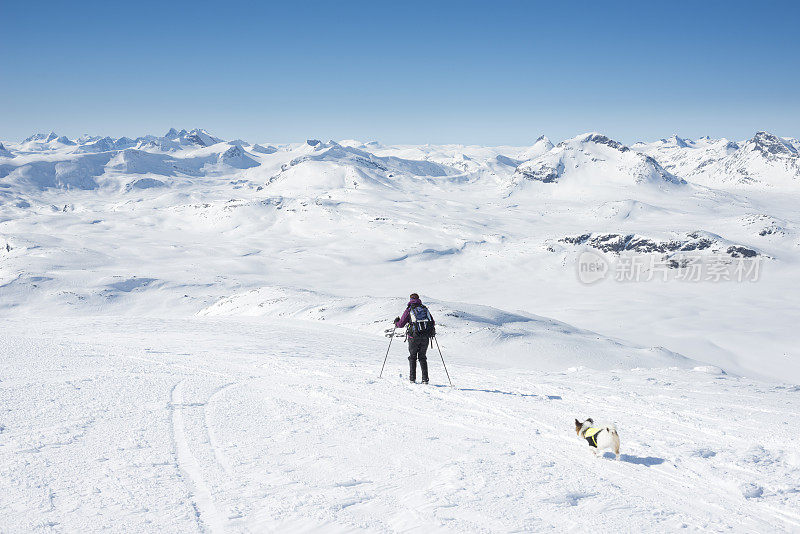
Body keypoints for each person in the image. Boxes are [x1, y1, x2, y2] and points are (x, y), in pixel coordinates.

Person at [394, 293, 435, 383]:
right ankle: (425, 379)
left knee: (413, 357)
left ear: (410, 299)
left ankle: (412, 379)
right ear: (418, 299)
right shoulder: (424, 309)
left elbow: (401, 324)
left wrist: (396, 322)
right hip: (425, 336)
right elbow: (432, 322)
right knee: (422, 357)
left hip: (413, 337)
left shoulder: (409, 310)